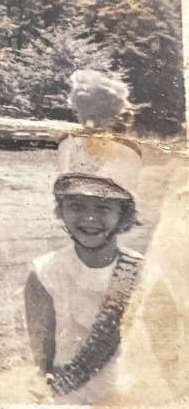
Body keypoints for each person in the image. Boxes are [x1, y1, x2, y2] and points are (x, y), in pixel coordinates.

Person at [24, 70, 179, 405]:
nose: (89, 218)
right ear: (60, 209)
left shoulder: (145, 275)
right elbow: (42, 361)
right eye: (76, 205)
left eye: (104, 208)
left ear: (124, 214)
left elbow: (171, 357)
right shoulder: (44, 273)